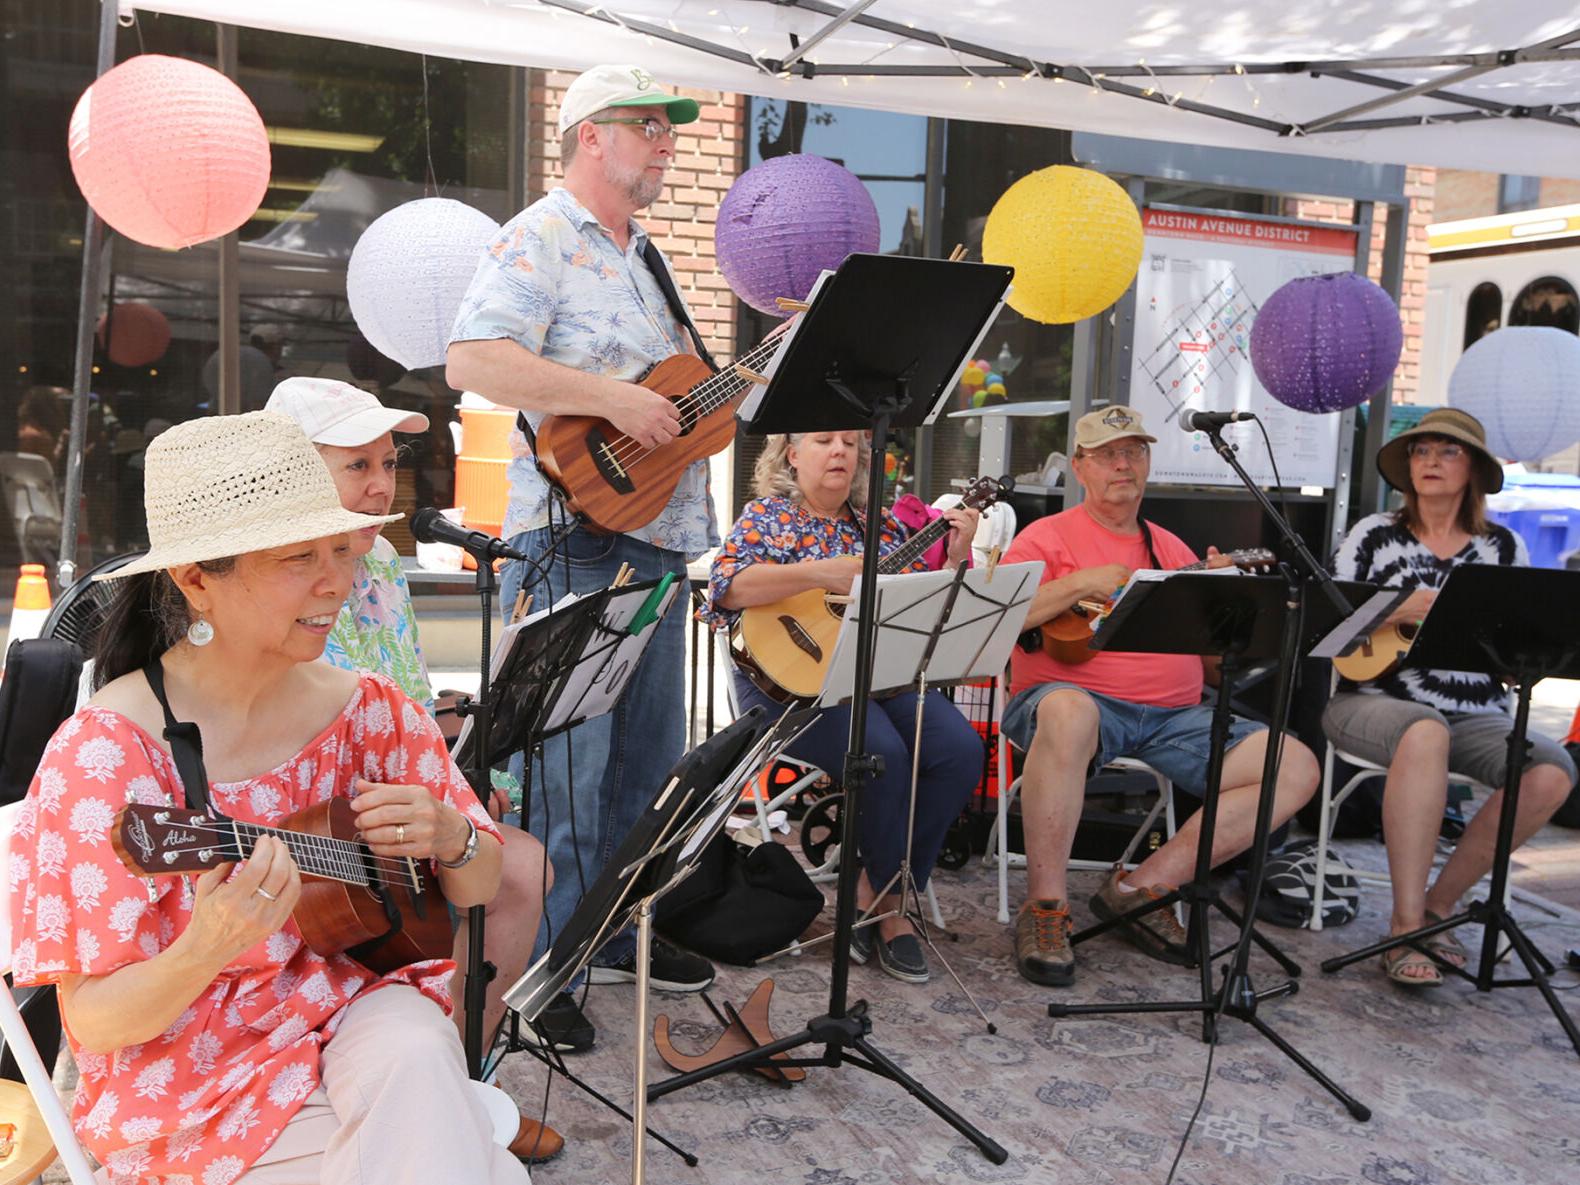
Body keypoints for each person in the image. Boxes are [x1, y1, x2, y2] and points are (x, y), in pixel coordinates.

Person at [6, 410, 527, 1184]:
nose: (336, 582)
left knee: (417, 1048)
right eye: (297, 559)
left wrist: (453, 835)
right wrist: (207, 943)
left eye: (340, 551)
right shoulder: (108, 757)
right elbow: (96, 1021)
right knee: (473, 1163)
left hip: (360, 1010)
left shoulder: (373, 711)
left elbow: (484, 882)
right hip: (195, 1085)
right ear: (195, 580)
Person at [446, 63, 715, 1050]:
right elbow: (472, 359)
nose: (665, 144)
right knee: (569, 765)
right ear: (589, 136)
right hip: (573, 542)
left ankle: (603, 933)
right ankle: (543, 965)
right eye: (648, 126)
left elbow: (675, 399)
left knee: (646, 766)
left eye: (667, 130)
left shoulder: (645, 255)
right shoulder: (540, 235)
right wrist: (611, 401)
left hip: (661, 545)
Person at [265, 377, 561, 1160]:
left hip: (396, 805)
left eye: (388, 463)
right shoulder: (268, 582)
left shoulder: (386, 565)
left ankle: (465, 1076)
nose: (380, 484)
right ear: (293, 472)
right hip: (319, 826)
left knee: (523, 866)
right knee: (507, 867)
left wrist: (459, 752)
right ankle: (441, 1087)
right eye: (355, 463)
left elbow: (409, 704)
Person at [1001, 406, 1319, 987]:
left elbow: (1216, 674)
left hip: (1175, 715)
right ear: (1079, 467)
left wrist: (1229, 614)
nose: (1123, 463)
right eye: (1106, 454)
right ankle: (1044, 909)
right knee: (1071, 711)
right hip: (1067, 700)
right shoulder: (1041, 538)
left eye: (1134, 451)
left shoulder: (1171, 548)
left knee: (1294, 764)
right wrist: (1079, 582)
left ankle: (1140, 887)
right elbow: (995, 620)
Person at [702, 430, 984, 982]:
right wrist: (819, 573)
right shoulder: (767, 516)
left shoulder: (877, 526)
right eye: (824, 441)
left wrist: (953, 557)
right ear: (793, 454)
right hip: (788, 687)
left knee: (958, 750)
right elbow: (727, 586)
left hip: (875, 679)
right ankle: (896, 914)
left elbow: (924, 612)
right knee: (881, 752)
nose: (840, 452)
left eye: (851, 444)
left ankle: (875, 892)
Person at [1325, 407, 1576, 986]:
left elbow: (1523, 647)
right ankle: (1403, 927)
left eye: (1447, 451)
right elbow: (1330, 637)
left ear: (1476, 470)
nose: (1430, 461)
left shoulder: (1503, 547)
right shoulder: (1372, 536)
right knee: (1424, 732)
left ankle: (1438, 906)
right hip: (1369, 702)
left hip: (1477, 715)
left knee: (1552, 772)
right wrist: (1395, 609)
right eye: (1420, 451)